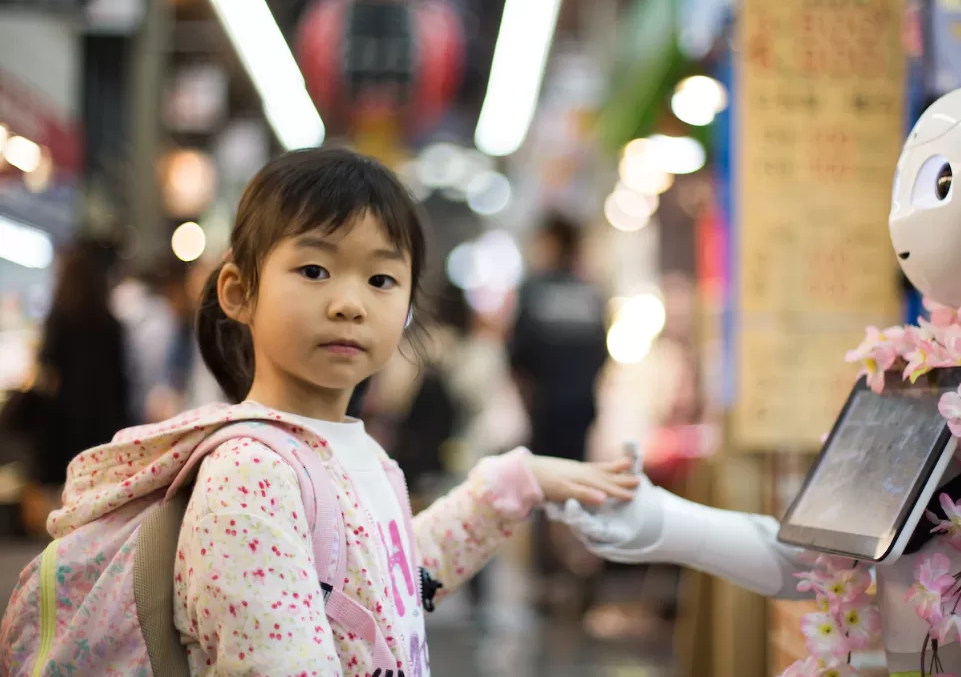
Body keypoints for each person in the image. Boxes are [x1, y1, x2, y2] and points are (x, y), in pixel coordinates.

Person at [26, 149, 639, 675]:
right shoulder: (251, 474)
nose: (349, 302)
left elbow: (387, 584)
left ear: (405, 308)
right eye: (314, 269)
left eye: (380, 279)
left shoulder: (353, 450)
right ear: (240, 291)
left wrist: (517, 483)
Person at [507, 212, 610, 611]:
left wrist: (527, 400)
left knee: (544, 490)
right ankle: (580, 569)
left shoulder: (534, 290)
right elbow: (602, 355)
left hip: (546, 408)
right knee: (580, 487)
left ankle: (549, 577)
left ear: (552, 242)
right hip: (581, 407)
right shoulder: (591, 293)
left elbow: (515, 356)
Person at [15, 237, 132, 535]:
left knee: (63, 489)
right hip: (103, 419)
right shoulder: (111, 323)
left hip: (63, 418)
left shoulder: (59, 319)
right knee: (97, 487)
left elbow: (46, 370)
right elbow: (122, 379)